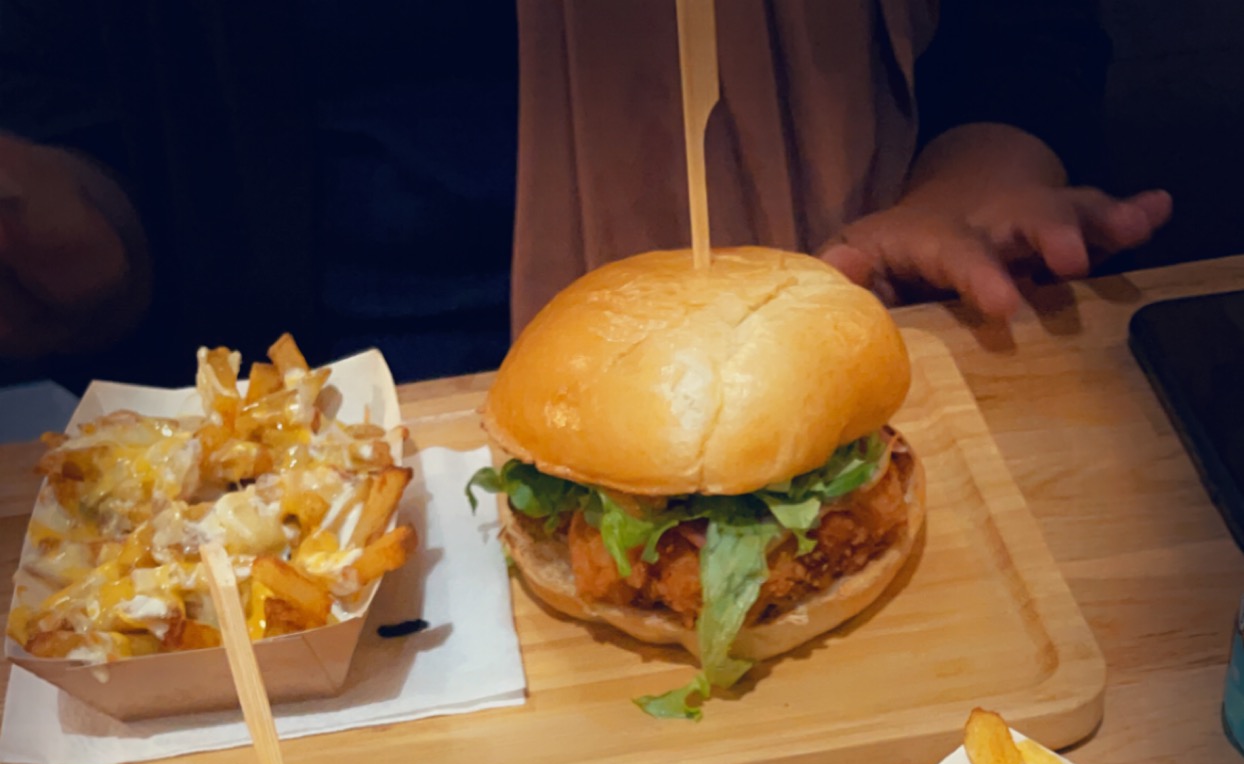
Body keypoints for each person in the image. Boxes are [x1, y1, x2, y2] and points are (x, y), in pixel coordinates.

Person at [0, 0, 1170, 391]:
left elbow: (1023, 32)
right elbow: (102, 148)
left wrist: (982, 164)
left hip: (876, 326)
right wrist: (73, 244)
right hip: (350, 426)